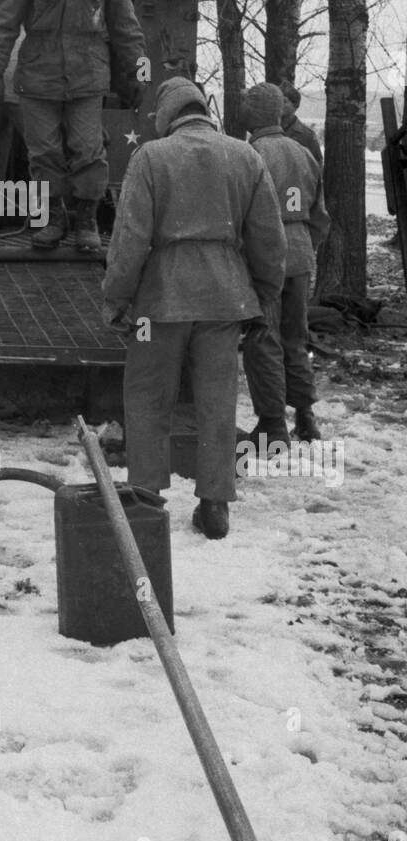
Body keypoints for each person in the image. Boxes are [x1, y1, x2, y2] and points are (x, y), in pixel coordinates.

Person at [102, 76, 286, 540]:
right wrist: (262, 299)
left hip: (156, 304)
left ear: (166, 115)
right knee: (217, 400)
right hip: (225, 300)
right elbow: (269, 239)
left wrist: (118, 298)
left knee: (146, 394)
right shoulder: (245, 156)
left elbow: (129, 240)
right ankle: (215, 504)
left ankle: (145, 497)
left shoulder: (150, 157)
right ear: (204, 108)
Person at [0, 0, 147, 251]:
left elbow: (126, 26)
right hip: (38, 78)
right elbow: (2, 23)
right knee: (44, 153)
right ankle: (55, 217)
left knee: (88, 149)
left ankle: (85, 221)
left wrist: (137, 73)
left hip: (87, 77)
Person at [240, 83, 331, 445]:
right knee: (296, 337)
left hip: (268, 255)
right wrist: (303, 247)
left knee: (263, 337)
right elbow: (320, 216)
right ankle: (306, 417)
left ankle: (272, 423)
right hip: (301, 252)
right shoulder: (302, 151)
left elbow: (246, 215)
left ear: (252, 115)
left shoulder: (253, 154)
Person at [278, 79, 323, 165]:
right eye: (278, 101)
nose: (280, 105)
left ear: (295, 105)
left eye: (284, 101)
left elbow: (317, 166)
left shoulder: (307, 136)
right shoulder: (268, 131)